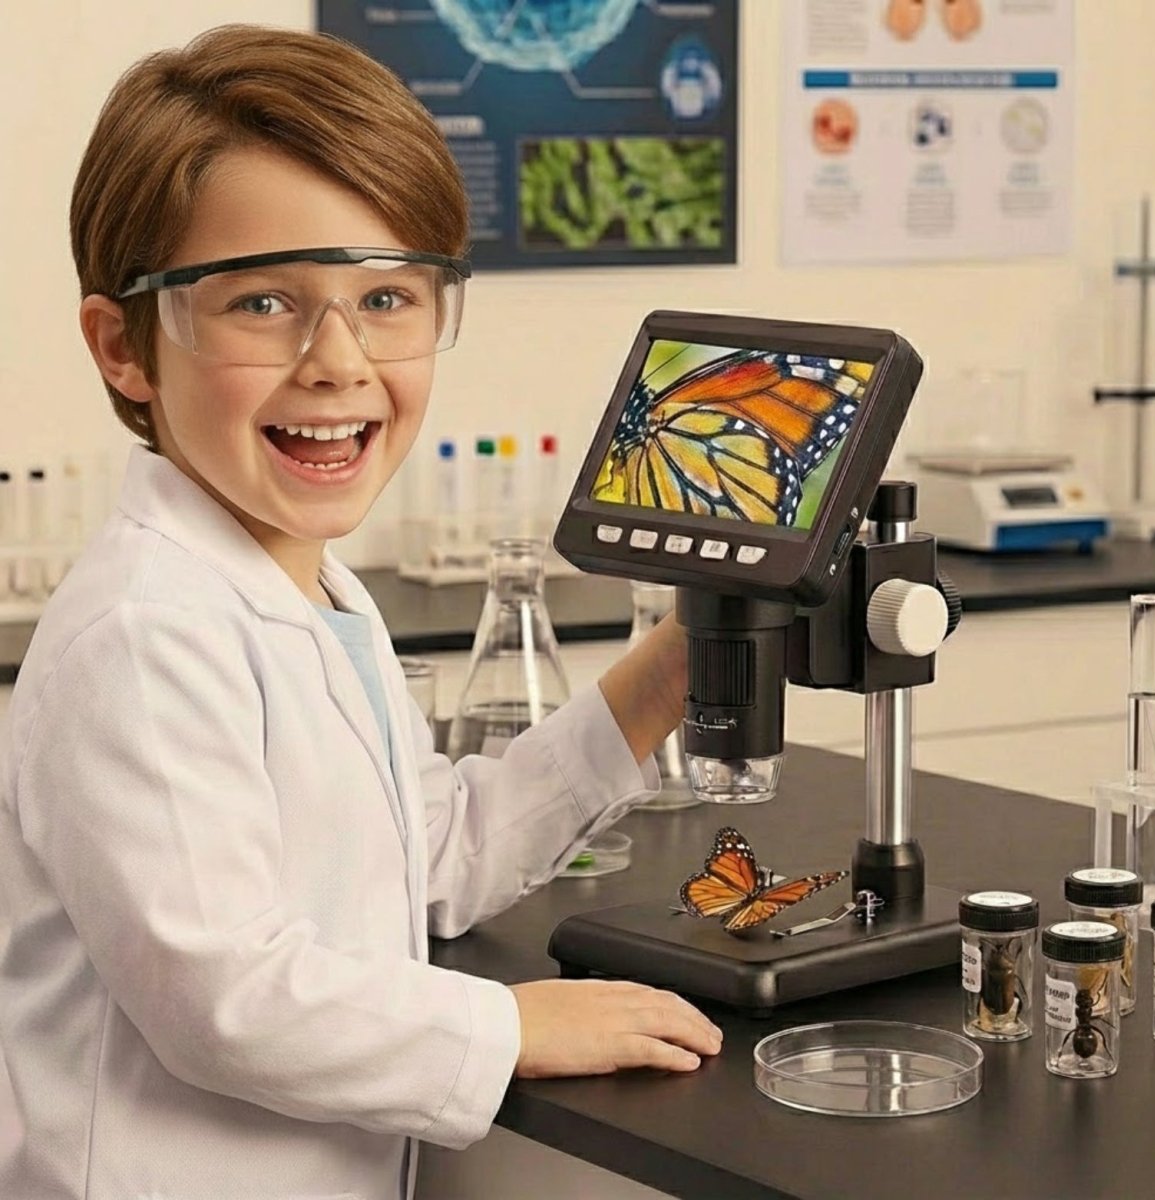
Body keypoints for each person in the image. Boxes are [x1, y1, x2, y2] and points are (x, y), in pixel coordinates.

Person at [0, 24, 721, 1200]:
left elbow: (425, 856)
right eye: (263, 301)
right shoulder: (144, 634)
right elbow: (224, 998)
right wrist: (509, 1027)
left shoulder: (307, 584)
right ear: (123, 346)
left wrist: (668, 674)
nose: (338, 360)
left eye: (386, 297)